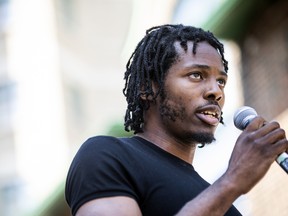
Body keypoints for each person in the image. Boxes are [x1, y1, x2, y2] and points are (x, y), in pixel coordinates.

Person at [65, 24, 288, 216]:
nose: (216, 92)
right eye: (197, 75)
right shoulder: (106, 156)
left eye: (221, 81)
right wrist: (233, 181)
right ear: (148, 88)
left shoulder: (215, 196)